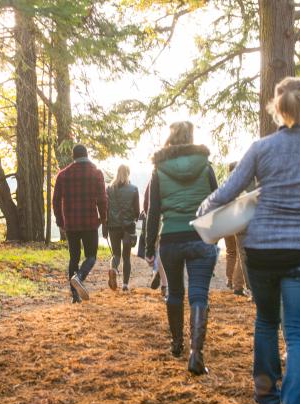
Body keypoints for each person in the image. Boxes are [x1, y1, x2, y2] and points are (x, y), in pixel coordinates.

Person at [199, 77, 300, 404]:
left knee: (266, 321)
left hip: (262, 251)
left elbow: (231, 190)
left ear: (278, 109)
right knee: (298, 334)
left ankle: (266, 399)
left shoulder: (261, 149)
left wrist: (205, 208)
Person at [145, 121, 218, 375]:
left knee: (175, 291)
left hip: (171, 238)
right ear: (191, 136)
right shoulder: (205, 167)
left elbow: (153, 211)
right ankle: (196, 354)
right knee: (199, 295)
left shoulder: (159, 170)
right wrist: (215, 233)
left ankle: (176, 344)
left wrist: (148, 246)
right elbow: (216, 200)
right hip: (201, 236)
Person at [52, 144, 108, 303]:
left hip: (71, 222)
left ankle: (75, 297)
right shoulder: (96, 173)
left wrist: (60, 220)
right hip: (90, 222)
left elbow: (55, 201)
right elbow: (102, 200)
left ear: (73, 156)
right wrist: (103, 219)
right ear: (87, 154)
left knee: (74, 258)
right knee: (91, 256)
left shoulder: (63, 175)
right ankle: (80, 276)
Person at [106, 164, 139, 291]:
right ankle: (125, 285)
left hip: (113, 226)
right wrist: (134, 219)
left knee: (116, 254)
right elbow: (136, 211)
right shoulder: (134, 189)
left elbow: (106, 208)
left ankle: (113, 269)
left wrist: (105, 225)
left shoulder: (109, 189)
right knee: (126, 257)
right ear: (128, 174)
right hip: (128, 227)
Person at [223, 162, 248, 296]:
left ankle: (230, 280)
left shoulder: (225, 184)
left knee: (231, 252)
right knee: (240, 254)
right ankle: (237, 284)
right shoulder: (240, 184)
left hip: (227, 222)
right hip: (238, 222)